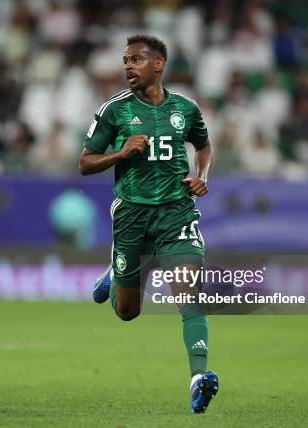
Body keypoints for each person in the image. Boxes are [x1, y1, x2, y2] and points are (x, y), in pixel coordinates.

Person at [79, 35, 217, 414]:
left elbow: (203, 145)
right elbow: (85, 162)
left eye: (136, 59)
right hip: (132, 216)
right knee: (127, 311)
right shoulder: (114, 111)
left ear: (158, 65)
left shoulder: (186, 109)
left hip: (177, 210)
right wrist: (121, 152)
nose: (127, 66)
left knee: (190, 296)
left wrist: (202, 174)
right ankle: (116, 273)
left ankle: (199, 377)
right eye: (125, 60)